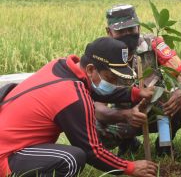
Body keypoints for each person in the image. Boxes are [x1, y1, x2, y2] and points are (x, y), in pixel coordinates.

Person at [0, 37, 157, 176]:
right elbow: (92, 151)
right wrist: (129, 167)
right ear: (90, 69)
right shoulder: (72, 96)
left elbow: (95, 91)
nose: (114, 83)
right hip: (7, 157)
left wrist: (136, 93)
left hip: (11, 146)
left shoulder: (61, 67)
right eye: (111, 77)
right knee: (71, 160)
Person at [96, 4, 181, 156]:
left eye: (131, 29)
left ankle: (165, 145)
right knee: (93, 125)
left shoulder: (153, 43)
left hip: (158, 112)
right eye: (120, 31)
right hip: (125, 116)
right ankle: (128, 142)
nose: (127, 34)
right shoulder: (101, 55)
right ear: (109, 32)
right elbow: (97, 107)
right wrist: (124, 115)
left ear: (138, 27)